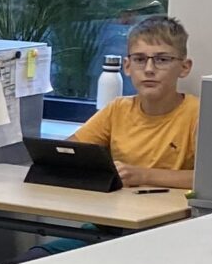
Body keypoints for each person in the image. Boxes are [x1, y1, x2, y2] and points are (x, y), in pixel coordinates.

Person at [70, 13, 197, 189]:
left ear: (184, 67)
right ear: (127, 66)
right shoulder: (118, 109)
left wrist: (143, 175)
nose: (149, 69)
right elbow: (68, 153)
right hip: (120, 203)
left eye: (162, 60)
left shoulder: (198, 114)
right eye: (140, 60)